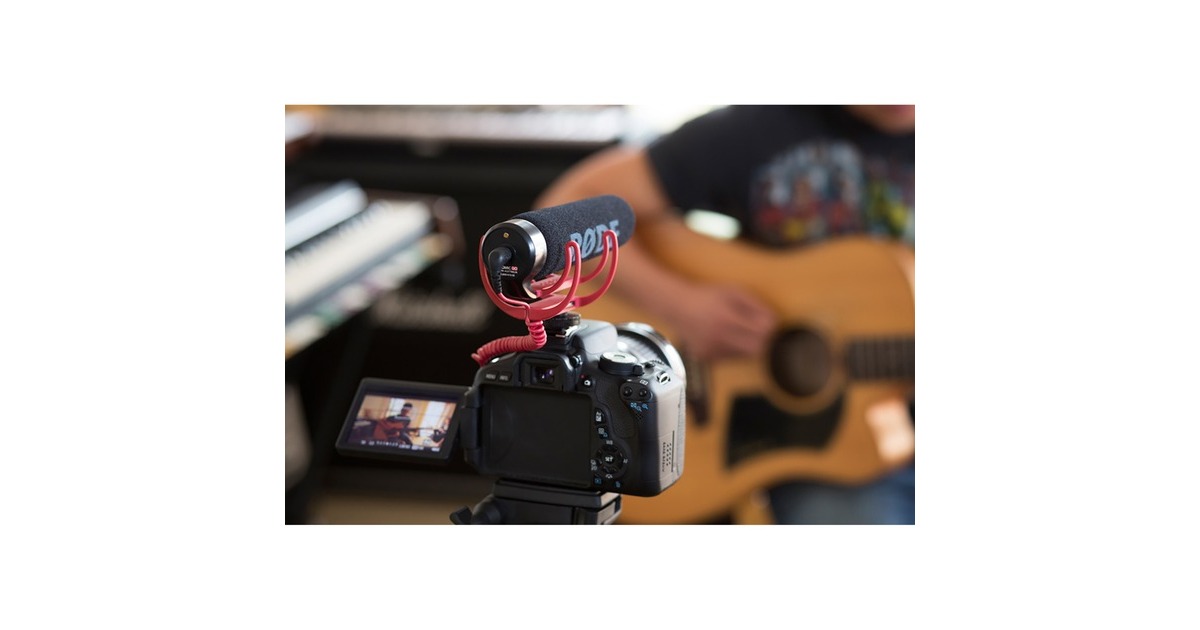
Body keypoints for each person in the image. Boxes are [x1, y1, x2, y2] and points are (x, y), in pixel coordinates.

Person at [533, 105, 915, 524]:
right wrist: (682, 305)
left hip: (881, 437)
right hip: (818, 458)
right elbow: (565, 213)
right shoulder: (764, 126)